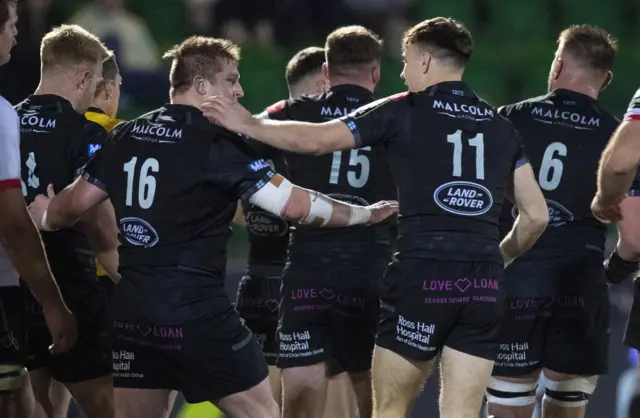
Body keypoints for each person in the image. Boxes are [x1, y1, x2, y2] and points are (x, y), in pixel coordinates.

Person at [27, 35, 398, 418]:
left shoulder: (124, 135)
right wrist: (364, 214)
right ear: (201, 86)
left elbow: (68, 208)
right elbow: (297, 206)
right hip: (197, 315)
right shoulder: (220, 144)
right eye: (230, 80)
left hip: (133, 314)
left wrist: (43, 213)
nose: (239, 90)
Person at [201, 17, 551, 418]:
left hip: (423, 275)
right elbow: (537, 217)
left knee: (389, 409)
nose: (401, 72)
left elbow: (316, 141)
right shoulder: (501, 126)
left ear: (424, 61)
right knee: (461, 412)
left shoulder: (403, 109)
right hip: (485, 284)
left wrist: (245, 121)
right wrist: (500, 258)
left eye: (405, 61)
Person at [260, 25, 394, 418]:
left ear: (325, 71)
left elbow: (232, 149)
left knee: (300, 391)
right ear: (376, 73)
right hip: (372, 269)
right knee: (377, 398)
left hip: (307, 269)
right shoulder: (396, 117)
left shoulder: (290, 114)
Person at [486, 25, 619, 418]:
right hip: (580, 283)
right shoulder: (618, 138)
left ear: (558, 65)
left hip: (516, 280)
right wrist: (612, 271)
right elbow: (634, 234)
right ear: (607, 79)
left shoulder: (508, 119)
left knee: (508, 403)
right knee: (566, 404)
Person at [16, 25, 115, 418]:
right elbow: (99, 224)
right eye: (95, 84)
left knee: (35, 407)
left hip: (13, 287)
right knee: (108, 407)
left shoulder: (6, 121)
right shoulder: (86, 132)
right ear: (84, 77)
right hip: (70, 288)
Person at [234, 45, 326, 407]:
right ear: (324, 81)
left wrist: (263, 219)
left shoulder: (255, 133)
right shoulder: (331, 139)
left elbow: (220, 203)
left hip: (260, 281)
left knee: (263, 407)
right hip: (315, 286)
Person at [0, 3, 77, 417]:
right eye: (11, 26)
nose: (15, 34)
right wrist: (52, 302)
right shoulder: (0, 115)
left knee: (23, 398)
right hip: (3, 287)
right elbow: (12, 224)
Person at [84, 50, 123, 295]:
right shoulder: (121, 134)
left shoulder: (60, 128)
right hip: (109, 270)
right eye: (119, 85)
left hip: (53, 266)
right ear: (109, 87)